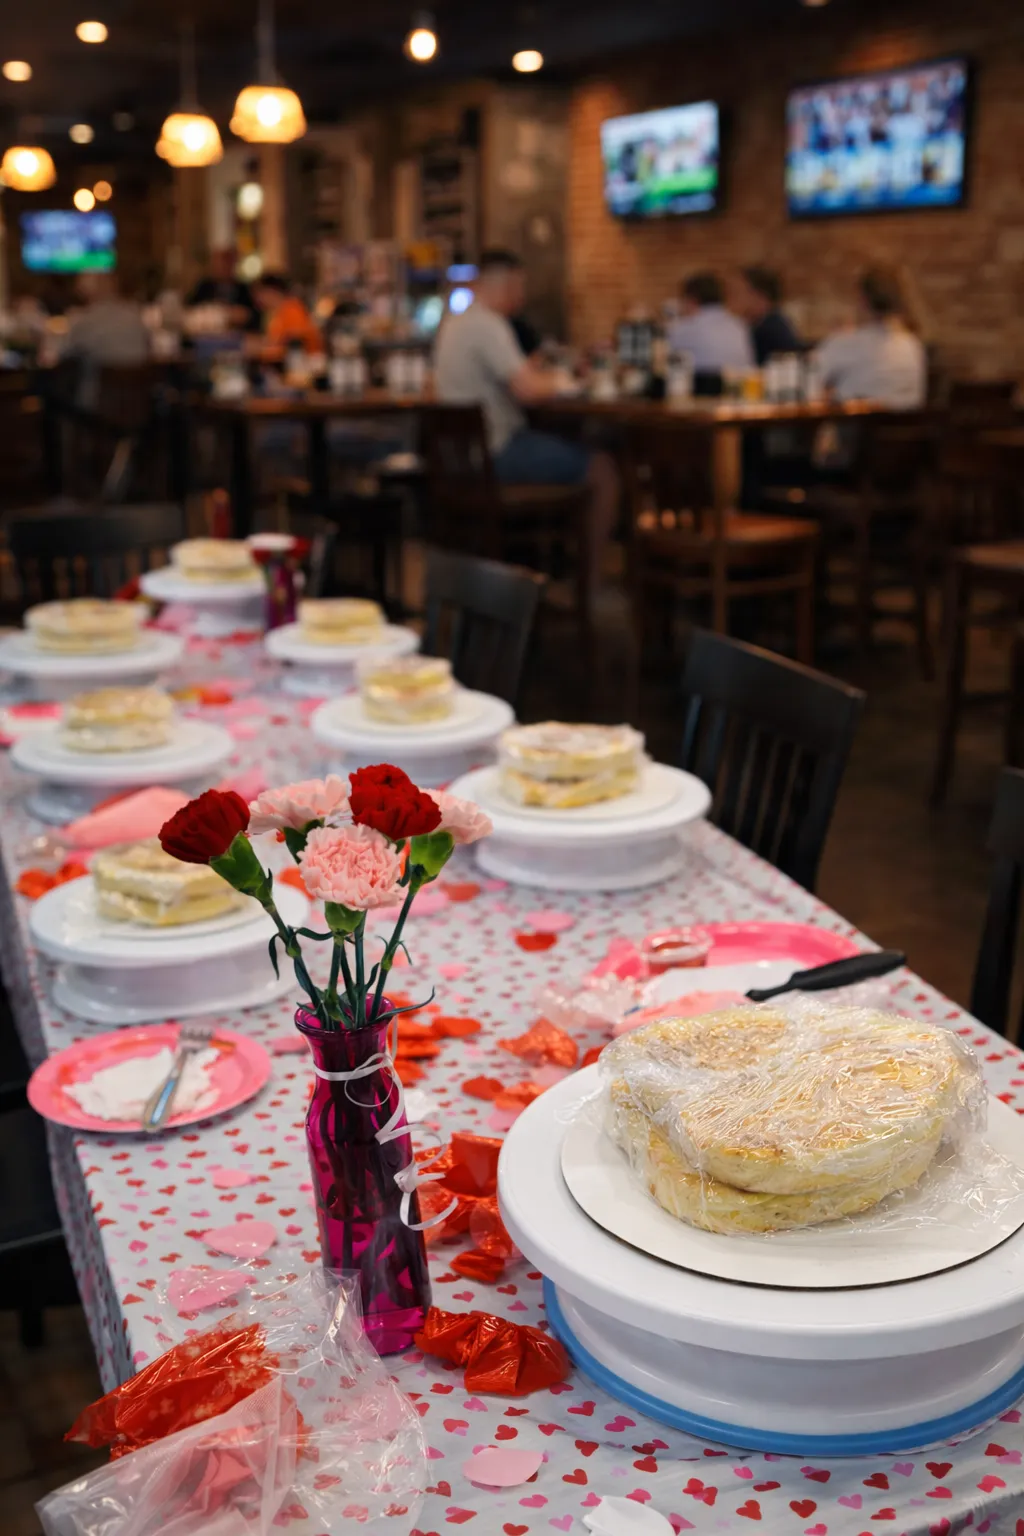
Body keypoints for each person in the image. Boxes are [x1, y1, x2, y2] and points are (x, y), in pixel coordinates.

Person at [434, 248, 619, 592]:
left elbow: (518, 375)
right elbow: (529, 391)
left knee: (567, 447)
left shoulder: (455, 323)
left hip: (462, 465)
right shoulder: (488, 324)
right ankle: (590, 583)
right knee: (602, 468)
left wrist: (549, 368)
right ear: (503, 285)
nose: (522, 297)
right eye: (519, 287)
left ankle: (553, 569)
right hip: (496, 457)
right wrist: (574, 382)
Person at [812, 267, 927, 409]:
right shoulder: (912, 345)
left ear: (863, 300)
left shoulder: (845, 343)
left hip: (857, 427)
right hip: (911, 429)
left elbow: (810, 381)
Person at [62, 272, 150, 407]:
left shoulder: (87, 321)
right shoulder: (135, 318)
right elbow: (148, 349)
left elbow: (66, 357)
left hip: (97, 407)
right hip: (138, 406)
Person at [665, 272, 754, 373]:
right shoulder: (740, 326)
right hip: (741, 385)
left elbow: (668, 365)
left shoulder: (683, 328)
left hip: (701, 386)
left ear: (691, 300)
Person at [732, 266, 802, 365]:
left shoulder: (771, 330)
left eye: (740, 293)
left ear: (759, 296)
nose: (736, 299)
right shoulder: (765, 323)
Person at [249, 272, 322, 359]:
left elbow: (296, 345)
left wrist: (262, 352)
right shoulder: (273, 314)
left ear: (271, 291)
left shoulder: (292, 308)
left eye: (259, 293)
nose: (257, 299)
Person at [186, 248, 259, 330]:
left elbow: (253, 314)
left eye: (228, 262)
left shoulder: (243, 288)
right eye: (220, 262)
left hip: (236, 334)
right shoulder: (204, 286)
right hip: (208, 334)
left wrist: (243, 315)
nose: (223, 266)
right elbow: (190, 308)